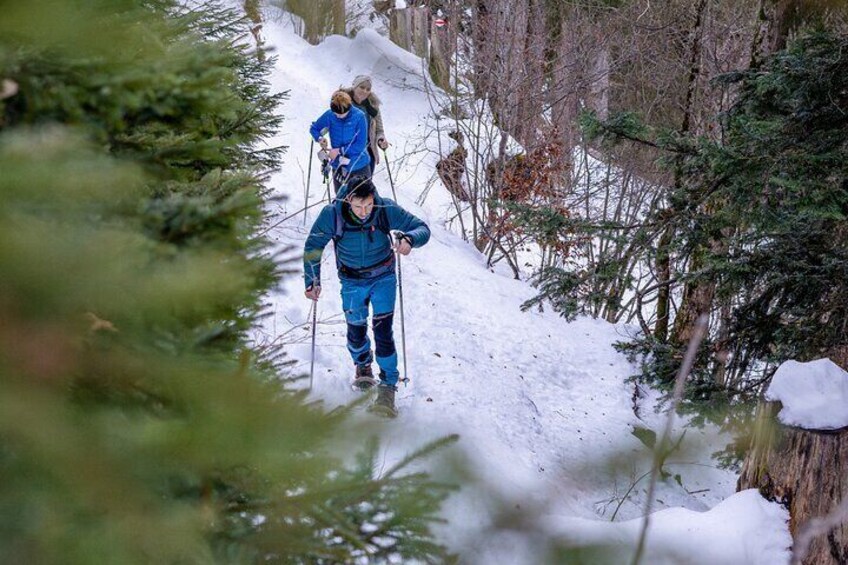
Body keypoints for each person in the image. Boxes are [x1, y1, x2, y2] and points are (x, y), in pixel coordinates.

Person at [303, 179, 430, 416]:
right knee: (356, 330)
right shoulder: (332, 214)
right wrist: (312, 280)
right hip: (351, 281)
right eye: (359, 206)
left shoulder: (385, 209)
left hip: (383, 278)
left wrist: (410, 239)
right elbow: (314, 245)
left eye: (368, 206)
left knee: (383, 331)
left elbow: (422, 227)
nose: (364, 212)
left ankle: (388, 387)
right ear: (348, 200)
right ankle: (363, 366)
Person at [309, 90, 371, 195]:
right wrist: (320, 138)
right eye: (336, 114)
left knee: (362, 199)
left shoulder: (359, 116)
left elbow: (360, 144)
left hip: (358, 165)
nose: (338, 116)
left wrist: (339, 151)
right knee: (341, 198)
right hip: (338, 165)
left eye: (342, 114)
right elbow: (314, 128)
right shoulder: (330, 115)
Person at [344, 75, 388, 177]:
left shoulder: (372, 106)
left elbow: (379, 130)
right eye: (362, 87)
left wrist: (381, 140)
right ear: (355, 86)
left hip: (368, 153)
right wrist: (319, 131)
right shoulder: (344, 103)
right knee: (347, 188)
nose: (365, 91)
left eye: (368, 89)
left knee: (365, 188)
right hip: (348, 153)